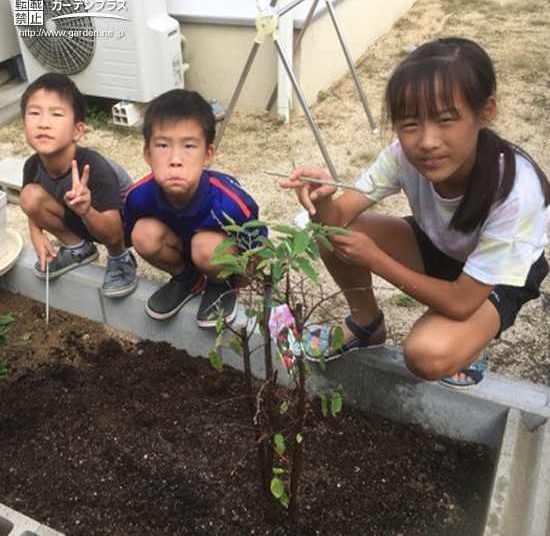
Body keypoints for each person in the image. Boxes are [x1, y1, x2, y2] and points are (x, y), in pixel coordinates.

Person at [281, 37, 550, 388]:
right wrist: (321, 200)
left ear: (485, 112)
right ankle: (366, 324)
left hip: (496, 278)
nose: (427, 141)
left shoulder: (515, 192)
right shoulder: (401, 156)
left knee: (427, 354)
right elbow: (336, 220)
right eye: (410, 124)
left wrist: (376, 259)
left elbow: (461, 301)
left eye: (445, 119)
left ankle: (472, 339)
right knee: (336, 233)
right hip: (439, 245)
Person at [124, 89, 264, 326]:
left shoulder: (229, 202)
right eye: (162, 146)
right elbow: (129, 238)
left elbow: (256, 247)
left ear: (207, 154)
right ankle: (187, 279)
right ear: (147, 154)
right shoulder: (138, 196)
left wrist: (240, 283)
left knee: (206, 248)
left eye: (189, 146)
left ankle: (221, 285)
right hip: (180, 248)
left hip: (215, 252)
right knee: (143, 234)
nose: (175, 159)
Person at [19, 72, 137, 298]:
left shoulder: (93, 167)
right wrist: (35, 233)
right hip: (81, 217)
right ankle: (78, 248)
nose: (43, 123)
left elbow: (114, 231)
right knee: (29, 196)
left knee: (113, 234)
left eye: (56, 114)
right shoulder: (32, 165)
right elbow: (30, 207)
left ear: (77, 130)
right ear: (24, 126)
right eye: (34, 113)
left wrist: (87, 211)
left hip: (121, 227)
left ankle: (120, 259)